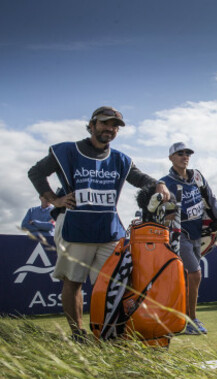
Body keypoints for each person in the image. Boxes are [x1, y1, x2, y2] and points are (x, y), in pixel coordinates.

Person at [27, 106, 171, 340]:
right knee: (73, 282)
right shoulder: (66, 151)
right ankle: (77, 333)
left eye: (115, 126)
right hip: (75, 226)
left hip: (109, 230)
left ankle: (109, 332)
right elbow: (36, 172)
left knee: (114, 286)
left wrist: (160, 184)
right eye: (105, 123)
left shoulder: (120, 159)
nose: (110, 129)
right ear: (92, 124)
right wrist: (55, 199)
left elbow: (140, 178)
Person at [160, 142, 217, 335]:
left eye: (187, 153)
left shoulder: (197, 176)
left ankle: (180, 319)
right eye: (180, 153)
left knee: (185, 278)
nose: (185, 156)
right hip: (178, 235)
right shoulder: (164, 182)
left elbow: (212, 200)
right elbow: (156, 210)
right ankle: (190, 320)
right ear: (171, 158)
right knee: (195, 274)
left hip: (197, 234)